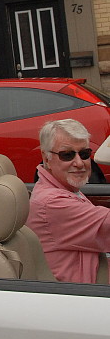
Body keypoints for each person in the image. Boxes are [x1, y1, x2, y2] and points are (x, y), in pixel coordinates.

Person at [26, 118, 110, 284]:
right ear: (46, 158)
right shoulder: (52, 203)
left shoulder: (64, 189)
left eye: (84, 154)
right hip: (82, 299)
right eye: (67, 155)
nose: (79, 163)